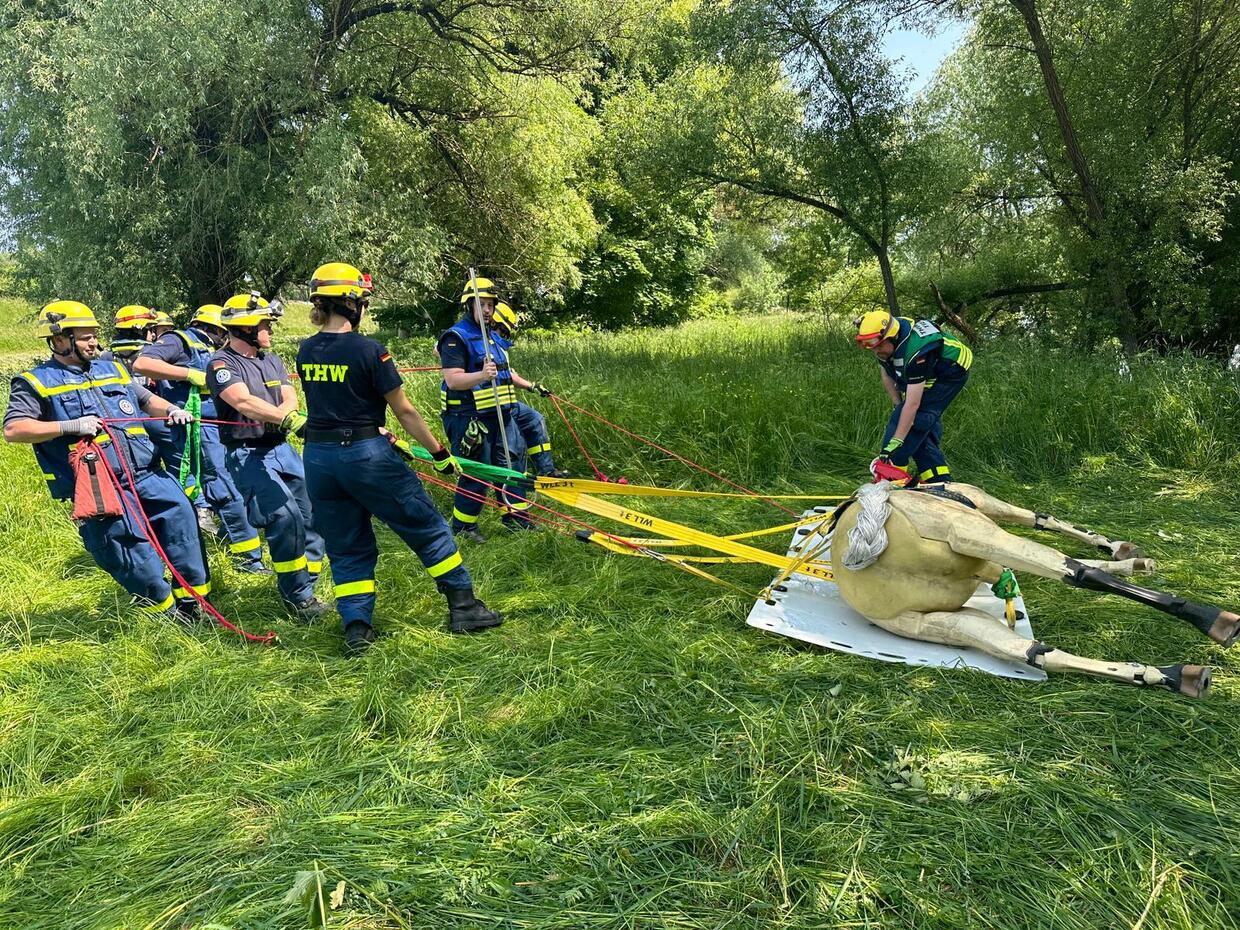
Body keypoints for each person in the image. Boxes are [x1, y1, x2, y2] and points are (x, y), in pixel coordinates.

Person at [296, 262, 504, 654]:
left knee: (347, 545)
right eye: (362, 300)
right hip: (366, 455)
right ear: (351, 302)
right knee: (426, 526)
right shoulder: (371, 350)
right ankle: (464, 605)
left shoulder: (306, 349)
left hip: (320, 460)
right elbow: (405, 411)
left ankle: (357, 627)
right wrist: (441, 454)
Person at [3, 301, 211, 618]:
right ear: (60, 340)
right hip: (102, 485)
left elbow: (145, 400)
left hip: (149, 474)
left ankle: (195, 605)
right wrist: (69, 426)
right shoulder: (34, 383)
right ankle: (166, 614)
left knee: (183, 527)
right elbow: (15, 429)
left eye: (94, 336)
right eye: (86, 337)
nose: (94, 343)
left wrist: (171, 410)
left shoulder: (112, 369)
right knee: (128, 551)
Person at [206, 293, 327, 618]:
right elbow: (242, 402)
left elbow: (290, 396)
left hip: (281, 448)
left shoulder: (271, 360)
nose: (271, 330)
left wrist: (286, 415)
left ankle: (309, 578)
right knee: (283, 518)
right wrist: (285, 417)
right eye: (265, 324)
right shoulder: (222, 364)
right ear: (244, 327)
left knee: (312, 513)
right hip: (247, 453)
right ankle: (297, 597)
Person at [134, 304, 268, 574]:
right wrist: (189, 374)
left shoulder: (212, 349)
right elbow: (142, 363)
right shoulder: (178, 340)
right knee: (225, 488)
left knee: (227, 485)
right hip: (196, 428)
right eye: (224, 331)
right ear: (214, 329)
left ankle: (229, 541)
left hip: (216, 426)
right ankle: (249, 560)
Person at [438, 276, 536, 541]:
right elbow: (453, 380)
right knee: (477, 473)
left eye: (491, 304)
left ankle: (517, 519)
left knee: (513, 468)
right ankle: (463, 528)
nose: (488, 310)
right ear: (469, 305)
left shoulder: (492, 336)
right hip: (469, 418)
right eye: (482, 304)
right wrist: (481, 375)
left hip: (501, 415)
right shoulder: (456, 337)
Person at [854, 310, 973, 484]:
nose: (876, 351)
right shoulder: (885, 343)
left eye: (879, 346)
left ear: (892, 337)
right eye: (871, 347)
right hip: (929, 370)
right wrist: (897, 404)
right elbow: (886, 373)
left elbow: (913, 404)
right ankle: (938, 481)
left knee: (917, 420)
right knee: (912, 426)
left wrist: (895, 442)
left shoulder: (917, 353)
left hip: (951, 371)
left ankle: (890, 477)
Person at [490, 300, 570, 479]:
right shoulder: (477, 340)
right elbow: (438, 349)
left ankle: (546, 470)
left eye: (506, 332)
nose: (503, 335)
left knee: (535, 420)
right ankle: (518, 481)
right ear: (492, 323)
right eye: (502, 330)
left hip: (509, 402)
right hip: (492, 407)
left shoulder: (500, 349)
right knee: (514, 443)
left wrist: (532, 386)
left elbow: (509, 376)